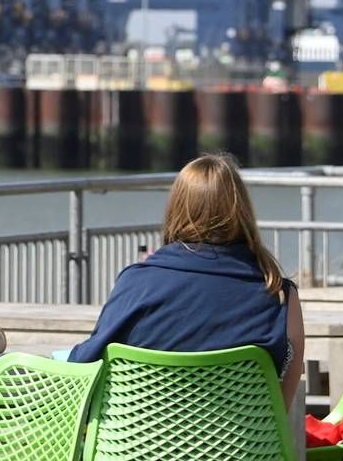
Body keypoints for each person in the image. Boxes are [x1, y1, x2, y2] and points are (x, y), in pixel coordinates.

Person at [70, 153, 305, 411]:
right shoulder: (280, 296)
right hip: (242, 449)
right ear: (243, 212)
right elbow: (281, 405)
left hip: (141, 446)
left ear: (176, 208)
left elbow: (84, 369)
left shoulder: (137, 283)